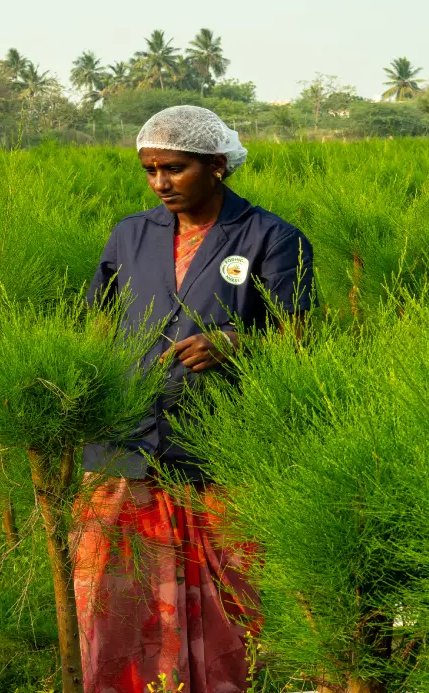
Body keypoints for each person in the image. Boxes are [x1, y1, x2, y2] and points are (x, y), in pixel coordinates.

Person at [78, 106, 314, 693]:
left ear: (217, 165)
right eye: (150, 170)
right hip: (126, 444)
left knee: (229, 603)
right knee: (117, 599)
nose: (161, 183)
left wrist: (236, 342)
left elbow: (302, 337)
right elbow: (97, 325)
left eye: (175, 168)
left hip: (218, 450)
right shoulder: (130, 235)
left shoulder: (272, 238)